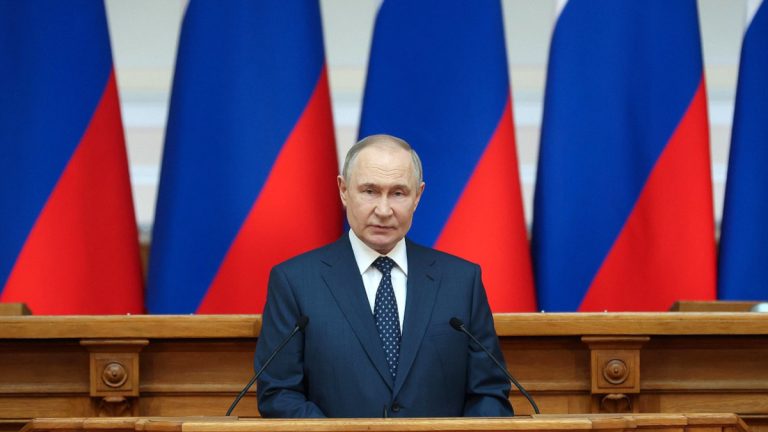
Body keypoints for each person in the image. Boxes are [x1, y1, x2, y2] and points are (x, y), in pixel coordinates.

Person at [254, 134, 513, 418]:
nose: (384, 210)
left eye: (398, 193)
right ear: (343, 190)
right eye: (370, 191)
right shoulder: (295, 282)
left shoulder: (461, 281)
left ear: (418, 196)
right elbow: (279, 393)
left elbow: (489, 392)